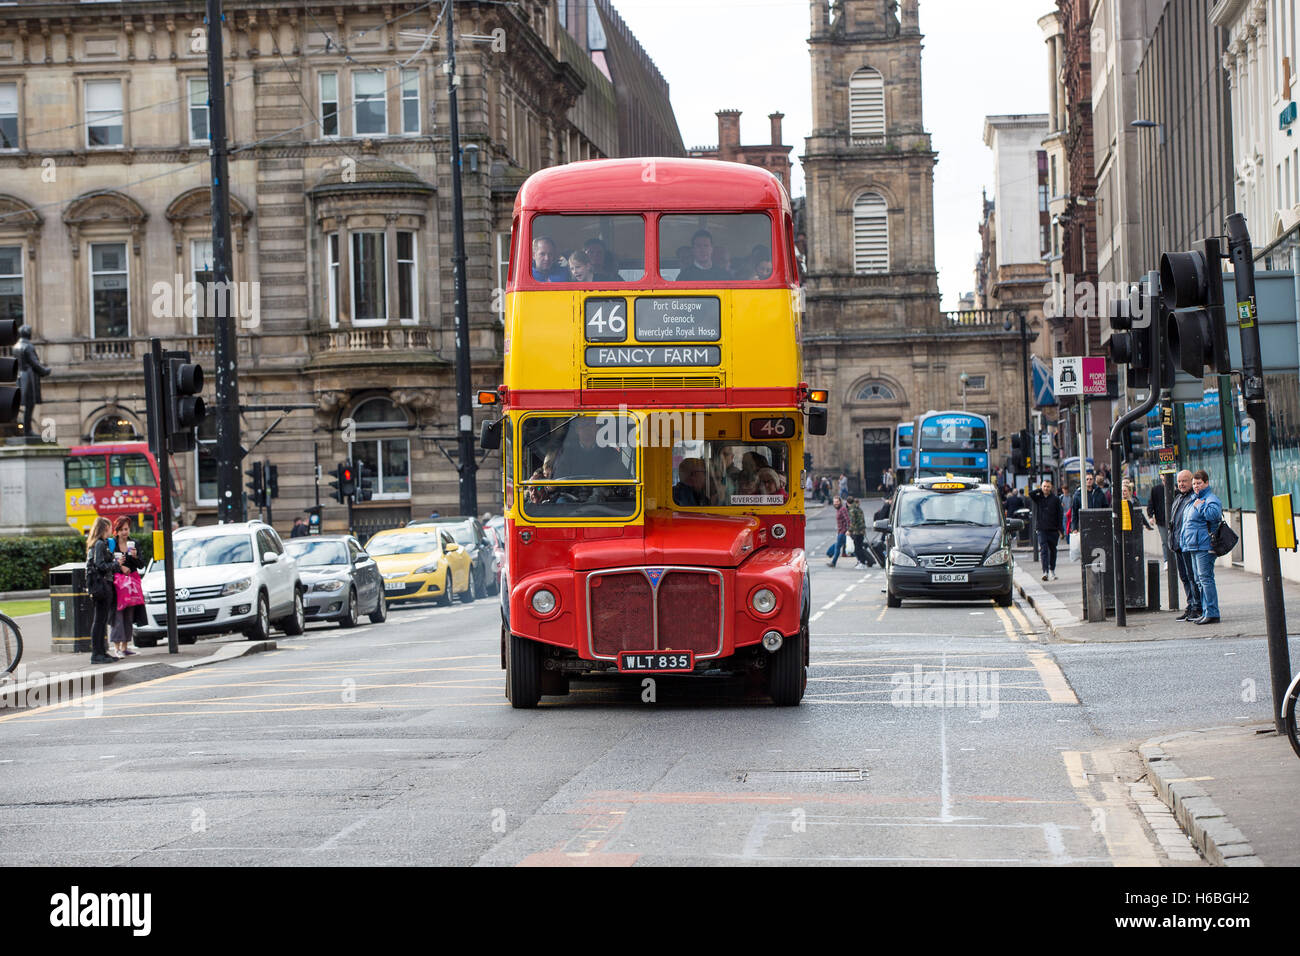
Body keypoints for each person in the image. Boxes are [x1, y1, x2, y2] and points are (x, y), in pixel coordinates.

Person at [1181, 469, 1223, 624]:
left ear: (1206, 483)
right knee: (1199, 580)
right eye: (1194, 483)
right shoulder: (1194, 499)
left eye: (1199, 483)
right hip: (1193, 545)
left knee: (1205, 579)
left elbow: (1214, 515)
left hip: (1204, 545)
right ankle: (1206, 611)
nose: (1196, 486)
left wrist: (1200, 506)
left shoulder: (1210, 499)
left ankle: (1212, 612)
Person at [1168, 469, 1202, 622]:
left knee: (1192, 576)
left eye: (1185, 481)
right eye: (1179, 481)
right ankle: (1190, 605)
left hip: (1188, 544)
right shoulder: (1178, 498)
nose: (1181, 484)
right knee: (1184, 577)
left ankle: (1197, 606)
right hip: (1177, 544)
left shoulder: (1193, 498)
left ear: (1191, 481)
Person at [85, 516, 119, 665]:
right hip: (101, 585)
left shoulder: (99, 544)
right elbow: (100, 565)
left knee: (101, 620)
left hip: (101, 585)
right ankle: (96, 654)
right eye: (109, 528)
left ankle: (101, 652)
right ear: (105, 529)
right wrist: (115, 564)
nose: (111, 530)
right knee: (99, 620)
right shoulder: (99, 544)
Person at [108, 517, 143, 658]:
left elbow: (141, 564)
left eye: (126, 529)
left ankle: (125, 647)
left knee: (129, 615)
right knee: (118, 614)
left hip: (131, 585)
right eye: (121, 529)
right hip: (116, 585)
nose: (124, 532)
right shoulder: (111, 544)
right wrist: (119, 565)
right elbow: (106, 563)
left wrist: (135, 557)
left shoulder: (134, 544)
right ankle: (116, 648)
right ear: (116, 531)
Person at [553, 416, 631, 479]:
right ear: (577, 430)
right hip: (571, 494)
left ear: (597, 428)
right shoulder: (566, 453)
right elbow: (558, 478)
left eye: (590, 425)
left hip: (602, 495)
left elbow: (621, 476)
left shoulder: (609, 452)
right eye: (583, 425)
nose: (587, 429)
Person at [1028, 478, 1065, 581]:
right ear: (1041, 487)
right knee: (1044, 550)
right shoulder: (1038, 498)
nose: (1046, 488)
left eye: (1048, 486)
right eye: (1044, 486)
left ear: (1051, 487)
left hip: (1053, 530)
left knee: (1053, 551)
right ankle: (1045, 572)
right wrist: (1039, 490)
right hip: (1041, 529)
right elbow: (1031, 494)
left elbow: (1059, 515)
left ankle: (1052, 570)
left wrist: (1060, 530)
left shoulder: (1056, 499)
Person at [1147, 476, 1170, 566]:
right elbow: (1151, 503)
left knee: (1174, 540)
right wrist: (1150, 516)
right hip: (1161, 520)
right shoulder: (1156, 489)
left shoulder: (1175, 488)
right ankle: (1166, 560)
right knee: (1165, 541)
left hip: (1173, 520)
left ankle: (1174, 559)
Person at [848, 496, 873, 569]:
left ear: (847, 502)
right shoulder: (859, 509)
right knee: (859, 547)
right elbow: (862, 520)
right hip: (861, 531)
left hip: (857, 531)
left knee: (857, 548)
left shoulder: (852, 510)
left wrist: (849, 530)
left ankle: (862, 562)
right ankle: (862, 561)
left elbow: (853, 522)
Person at [826, 496, 849, 567]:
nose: (835, 503)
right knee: (851, 547)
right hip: (840, 532)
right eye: (834, 502)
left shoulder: (843, 509)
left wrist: (848, 530)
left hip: (843, 531)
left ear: (840, 502)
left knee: (838, 547)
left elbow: (848, 520)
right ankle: (862, 560)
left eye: (837, 502)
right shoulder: (839, 509)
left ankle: (833, 561)